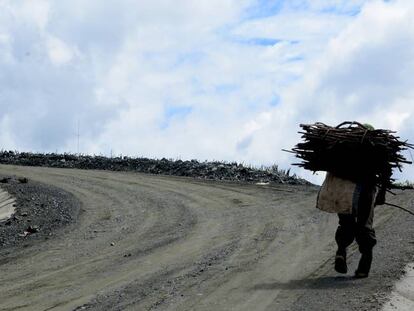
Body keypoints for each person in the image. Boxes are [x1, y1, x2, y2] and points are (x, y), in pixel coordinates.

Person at [333, 123, 390, 278]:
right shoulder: (376, 148)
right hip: (366, 190)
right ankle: (364, 266)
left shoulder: (344, 147)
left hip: (345, 190)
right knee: (364, 225)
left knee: (345, 223)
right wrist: (382, 193)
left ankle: (341, 252)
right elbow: (386, 171)